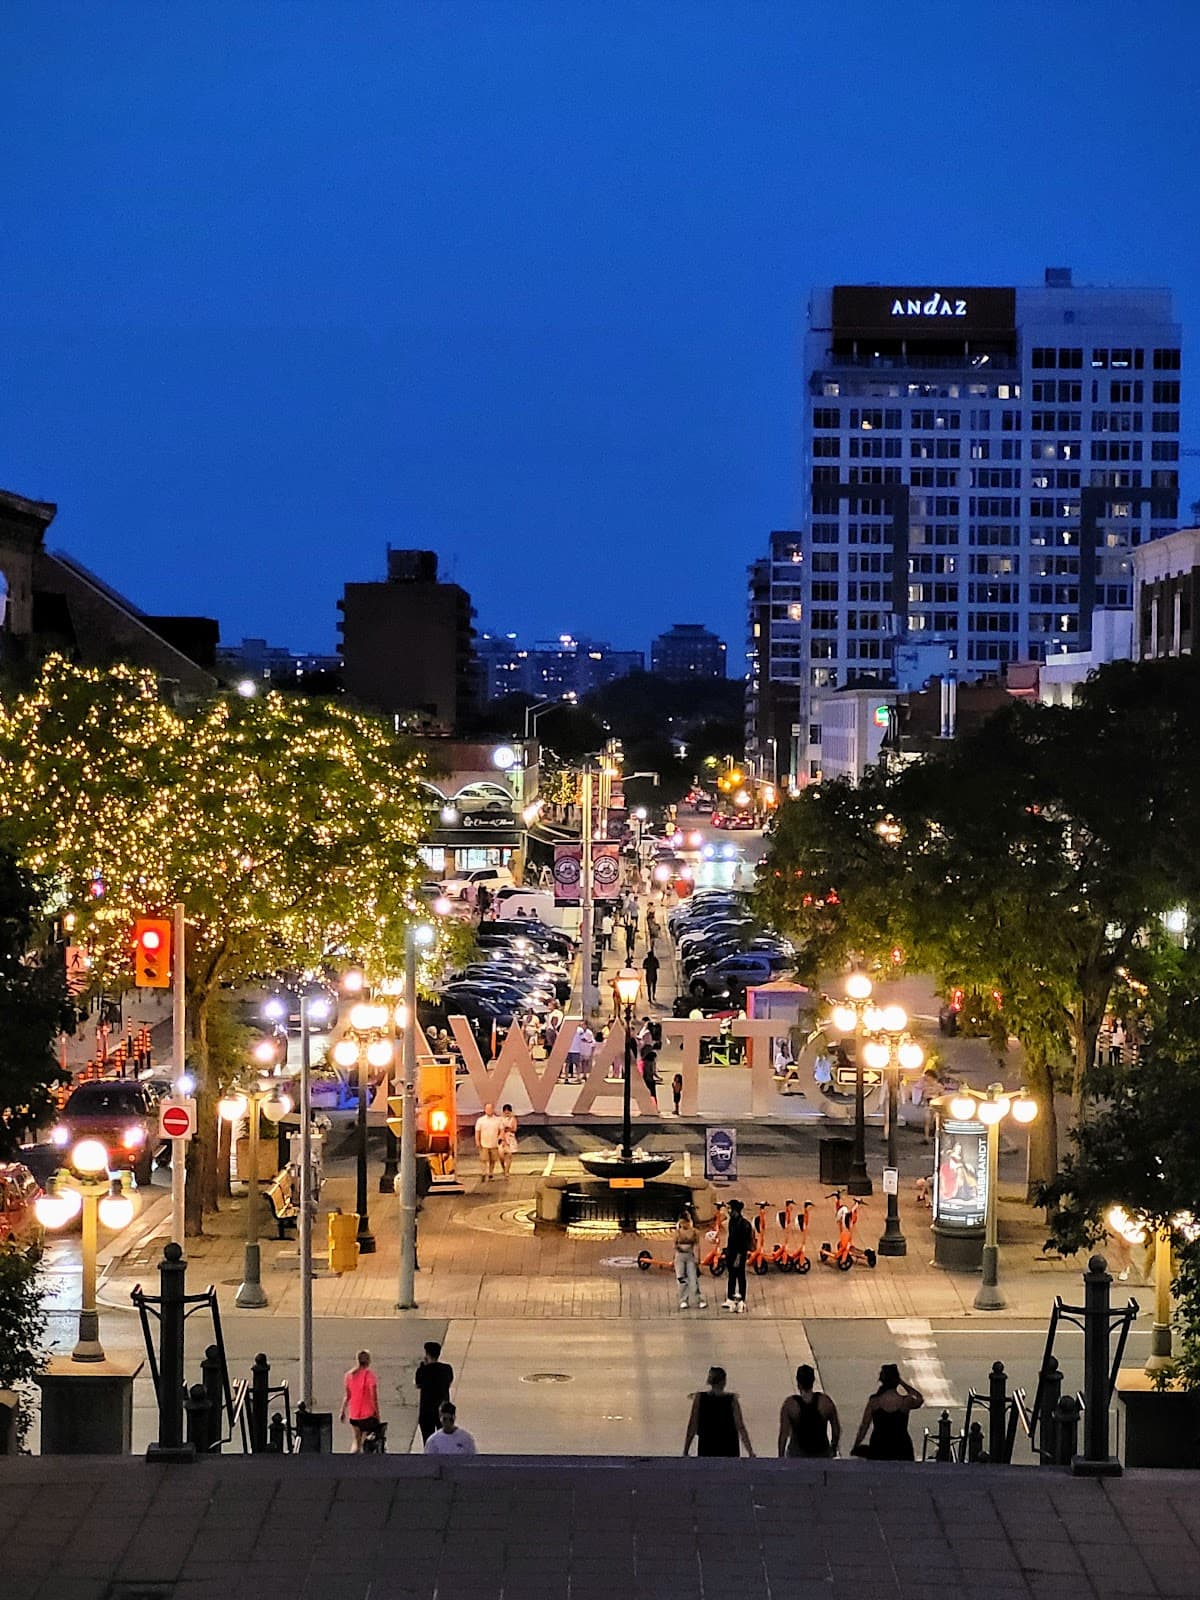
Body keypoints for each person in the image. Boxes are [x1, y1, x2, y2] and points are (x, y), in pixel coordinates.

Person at [851, 1363, 923, 1460]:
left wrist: (856, 1445)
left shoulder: (874, 1401)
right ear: (896, 1381)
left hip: (879, 1446)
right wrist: (902, 1383)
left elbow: (864, 1426)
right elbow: (919, 1399)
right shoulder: (905, 1402)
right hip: (901, 1446)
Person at [683, 1367, 754, 1457]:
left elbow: (692, 1426)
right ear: (724, 1381)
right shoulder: (731, 1400)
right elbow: (740, 1426)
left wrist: (686, 1450)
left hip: (707, 1445)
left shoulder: (700, 1398)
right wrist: (750, 1451)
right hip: (729, 1447)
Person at [778, 1365, 840, 1458]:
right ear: (813, 1381)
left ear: (798, 1382)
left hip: (797, 1454)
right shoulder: (825, 1402)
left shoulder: (790, 1405)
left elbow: (783, 1434)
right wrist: (833, 1448)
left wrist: (780, 1457)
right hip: (821, 1453)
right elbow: (836, 1430)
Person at [339, 1349, 380, 1453]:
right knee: (364, 1439)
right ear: (368, 1361)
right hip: (368, 1415)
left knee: (356, 1440)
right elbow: (373, 1397)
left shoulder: (349, 1376)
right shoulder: (370, 1376)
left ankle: (353, 1457)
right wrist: (377, 1414)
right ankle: (363, 1458)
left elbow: (347, 1396)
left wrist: (342, 1411)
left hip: (354, 1415)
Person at [414, 1340, 455, 1443]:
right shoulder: (447, 1369)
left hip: (427, 1412)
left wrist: (423, 1366)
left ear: (427, 1355)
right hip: (442, 1410)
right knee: (445, 1440)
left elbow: (418, 1384)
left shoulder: (423, 1370)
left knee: (428, 1442)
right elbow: (449, 1382)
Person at [723, 1197, 753, 1313]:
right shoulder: (732, 1222)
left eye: (730, 1208)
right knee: (731, 1276)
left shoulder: (743, 1224)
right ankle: (730, 1297)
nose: (728, 1211)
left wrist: (739, 1256)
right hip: (731, 1252)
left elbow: (744, 1243)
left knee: (740, 1276)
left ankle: (741, 1300)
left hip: (739, 1254)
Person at [673, 1207, 706, 1309]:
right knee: (681, 1278)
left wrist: (697, 1259)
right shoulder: (677, 1232)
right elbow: (674, 1245)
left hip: (690, 1256)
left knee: (693, 1279)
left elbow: (697, 1245)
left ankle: (699, 1298)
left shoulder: (694, 1232)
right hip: (680, 1257)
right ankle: (683, 1299)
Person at [474, 1102, 502, 1180]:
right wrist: (477, 1141)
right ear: (485, 1110)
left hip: (494, 1143)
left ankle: (490, 1173)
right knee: (483, 1159)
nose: (489, 1110)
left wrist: (500, 1138)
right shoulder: (480, 1120)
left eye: (490, 1109)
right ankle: (483, 1173)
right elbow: (477, 1131)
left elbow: (501, 1130)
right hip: (484, 1143)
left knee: (493, 1160)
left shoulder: (498, 1119)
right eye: (487, 1109)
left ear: (493, 1109)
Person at [498, 1103, 518, 1177]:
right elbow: (498, 1129)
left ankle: (507, 1171)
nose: (507, 1113)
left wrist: (509, 1128)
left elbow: (514, 1129)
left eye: (508, 1111)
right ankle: (503, 1168)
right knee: (501, 1155)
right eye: (505, 1111)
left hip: (510, 1137)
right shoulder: (500, 1119)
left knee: (509, 1155)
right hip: (501, 1138)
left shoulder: (513, 1119)